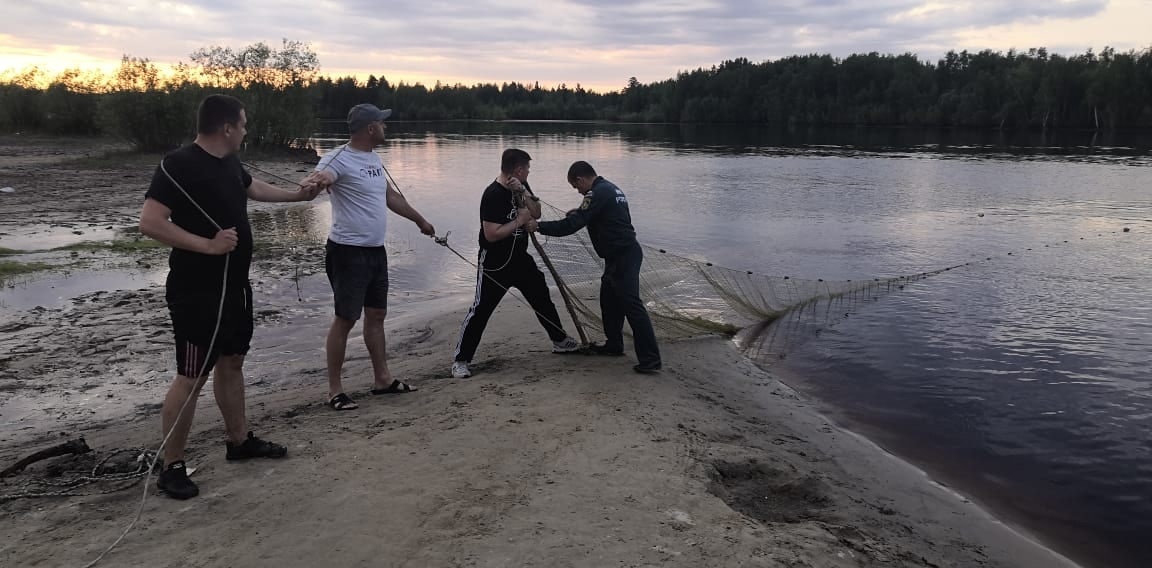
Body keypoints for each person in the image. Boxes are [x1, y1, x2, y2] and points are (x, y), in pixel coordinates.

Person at [139, 94, 324, 500]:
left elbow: (252, 188)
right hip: (196, 291)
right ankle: (172, 467)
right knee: (192, 376)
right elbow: (150, 222)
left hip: (235, 287)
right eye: (242, 123)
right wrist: (207, 246)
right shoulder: (178, 164)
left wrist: (300, 195)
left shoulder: (230, 163)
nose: (245, 129)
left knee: (232, 361)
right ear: (226, 127)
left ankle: (238, 442)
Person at [304, 104, 436, 410]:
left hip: (376, 251)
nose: (386, 128)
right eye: (382, 123)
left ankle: (382, 379)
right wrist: (318, 180)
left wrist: (420, 220)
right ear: (370, 129)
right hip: (348, 252)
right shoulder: (339, 157)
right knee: (345, 319)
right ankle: (334, 391)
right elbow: (324, 173)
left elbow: (390, 197)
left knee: (376, 315)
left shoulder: (373, 158)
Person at [451, 149, 581, 378]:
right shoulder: (492, 194)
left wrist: (523, 192)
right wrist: (519, 221)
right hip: (495, 263)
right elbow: (491, 234)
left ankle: (559, 340)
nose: (528, 172)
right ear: (518, 169)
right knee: (481, 310)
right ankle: (461, 360)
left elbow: (537, 212)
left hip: (520, 259)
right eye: (527, 169)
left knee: (541, 294)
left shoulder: (522, 186)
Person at [528, 161, 662, 374]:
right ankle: (614, 345)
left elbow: (571, 226)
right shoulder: (610, 188)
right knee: (609, 301)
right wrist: (580, 213)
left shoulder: (596, 194)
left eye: (575, 186)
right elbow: (601, 216)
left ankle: (651, 360)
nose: (578, 191)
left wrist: (540, 227)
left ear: (580, 179)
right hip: (619, 255)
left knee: (632, 307)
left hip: (623, 256)